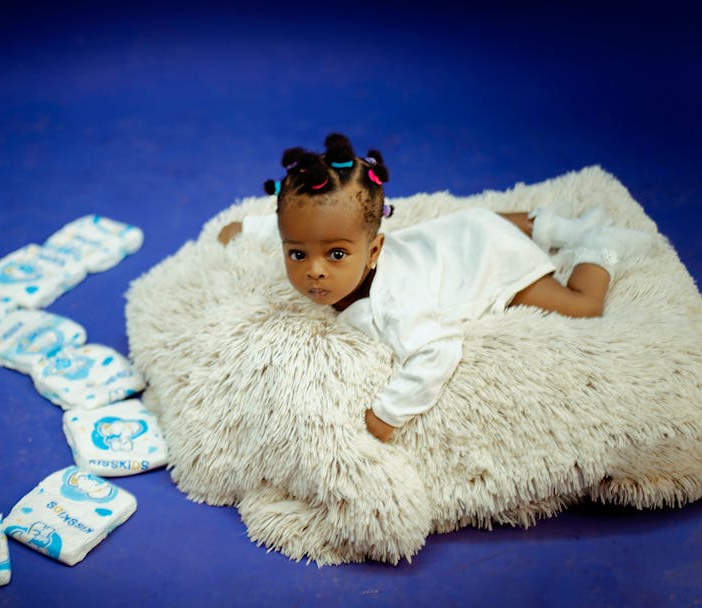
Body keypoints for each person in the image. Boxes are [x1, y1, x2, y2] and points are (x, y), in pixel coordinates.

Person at [218, 134, 653, 443]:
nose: (314, 272)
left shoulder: (391, 308)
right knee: (475, 219)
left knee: (582, 306)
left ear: (374, 252)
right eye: (296, 255)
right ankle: (557, 226)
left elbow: (440, 351)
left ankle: (597, 246)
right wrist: (247, 227)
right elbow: (301, 225)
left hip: (490, 260)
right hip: (466, 229)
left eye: (336, 255)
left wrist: (387, 414)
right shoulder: (321, 238)